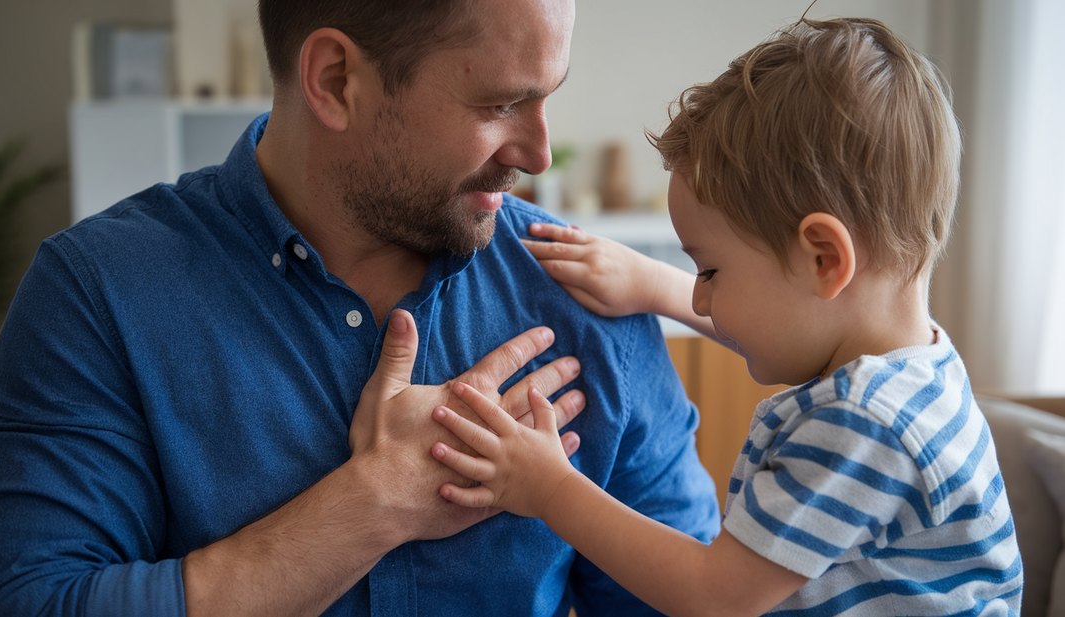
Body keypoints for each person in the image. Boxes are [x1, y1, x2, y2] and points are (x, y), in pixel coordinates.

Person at [0, 0, 721, 615]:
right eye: (499, 103)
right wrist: (371, 504)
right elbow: (25, 601)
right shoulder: (97, 292)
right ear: (333, 79)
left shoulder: (584, 296)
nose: (538, 153)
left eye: (545, 97)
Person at [428, 16, 1024, 617]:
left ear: (824, 258)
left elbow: (710, 597)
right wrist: (654, 285)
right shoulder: (915, 373)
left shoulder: (862, 426)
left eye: (710, 272)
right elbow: (784, 322)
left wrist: (548, 487)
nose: (700, 299)